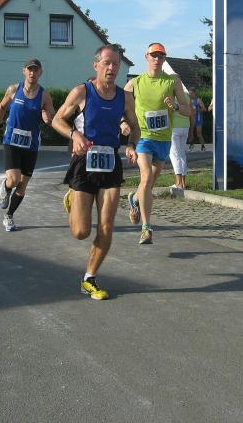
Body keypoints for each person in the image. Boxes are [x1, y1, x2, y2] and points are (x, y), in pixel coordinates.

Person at [52, 45, 140, 300]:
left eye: (116, 64)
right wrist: (74, 134)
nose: (112, 68)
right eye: (107, 63)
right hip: (84, 162)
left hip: (110, 163)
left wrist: (131, 145)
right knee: (80, 232)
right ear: (96, 65)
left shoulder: (125, 98)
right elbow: (57, 120)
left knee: (106, 226)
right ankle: (72, 198)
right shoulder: (82, 92)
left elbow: (135, 126)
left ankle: (89, 278)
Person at [125, 42, 190, 245]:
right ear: (146, 56)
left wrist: (176, 106)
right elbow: (120, 106)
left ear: (164, 59)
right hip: (143, 138)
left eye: (161, 56)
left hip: (163, 140)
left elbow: (189, 110)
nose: (157, 59)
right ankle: (146, 228)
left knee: (149, 183)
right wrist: (123, 124)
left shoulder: (173, 81)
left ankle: (135, 199)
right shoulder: (134, 83)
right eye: (153, 55)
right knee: (145, 179)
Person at [0, 58, 55, 232]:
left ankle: (9, 216)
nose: (32, 73)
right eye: (29, 69)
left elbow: (52, 115)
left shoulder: (44, 95)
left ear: (40, 72)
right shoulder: (14, 89)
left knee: (22, 185)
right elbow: (1, 107)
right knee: (14, 179)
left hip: (31, 144)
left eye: (36, 70)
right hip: (11, 141)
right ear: (24, 71)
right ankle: (6, 187)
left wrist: (47, 117)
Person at [168, 84, 191, 189]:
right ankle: (183, 182)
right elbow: (190, 111)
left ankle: (178, 183)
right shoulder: (186, 95)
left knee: (174, 154)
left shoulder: (171, 96)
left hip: (174, 127)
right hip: (185, 126)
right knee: (182, 154)